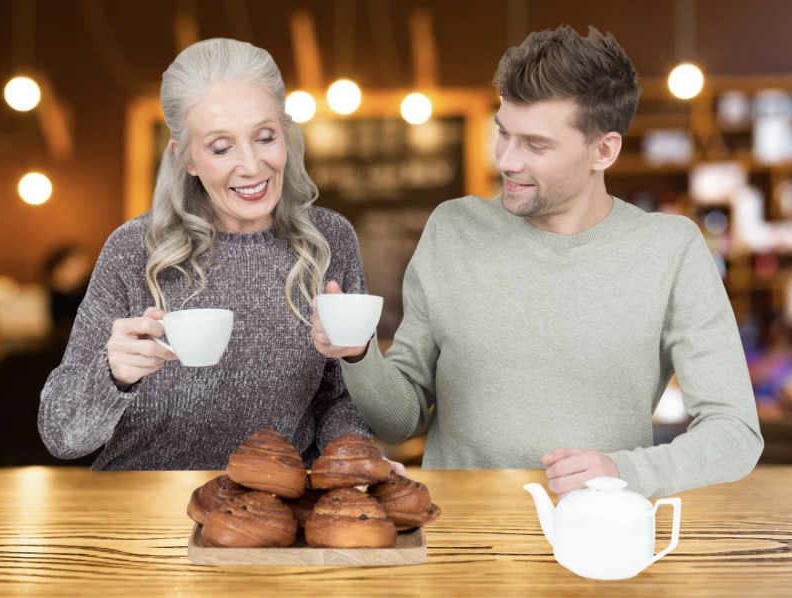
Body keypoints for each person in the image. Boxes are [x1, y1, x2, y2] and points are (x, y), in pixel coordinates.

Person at [311, 26, 763, 499]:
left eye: (536, 144)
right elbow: (399, 421)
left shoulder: (671, 250)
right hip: (462, 540)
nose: (507, 160)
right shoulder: (453, 229)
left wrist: (623, 471)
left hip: (597, 535)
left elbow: (735, 432)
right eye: (503, 133)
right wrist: (358, 354)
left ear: (603, 150)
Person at [39, 39, 404, 474]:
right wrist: (112, 376)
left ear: (286, 136)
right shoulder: (132, 249)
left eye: (265, 137)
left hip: (274, 506)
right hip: (143, 509)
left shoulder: (328, 239)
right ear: (185, 158)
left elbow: (339, 397)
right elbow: (61, 436)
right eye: (220, 147)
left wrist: (348, 464)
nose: (251, 165)